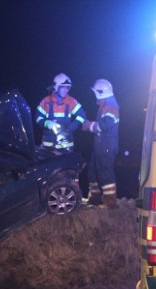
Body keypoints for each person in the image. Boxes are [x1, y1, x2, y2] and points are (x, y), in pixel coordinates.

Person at [82, 79, 120, 208]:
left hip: (107, 147)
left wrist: (89, 126)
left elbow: (105, 125)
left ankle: (110, 202)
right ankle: (94, 199)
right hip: (100, 146)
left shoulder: (111, 107)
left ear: (100, 93)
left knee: (105, 172)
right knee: (93, 171)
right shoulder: (105, 105)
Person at [35, 73, 86, 153]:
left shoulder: (71, 101)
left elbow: (82, 116)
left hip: (66, 146)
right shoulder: (45, 101)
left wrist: (70, 127)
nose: (66, 90)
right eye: (63, 87)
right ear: (56, 87)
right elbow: (38, 117)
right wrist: (47, 123)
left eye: (68, 87)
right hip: (48, 145)